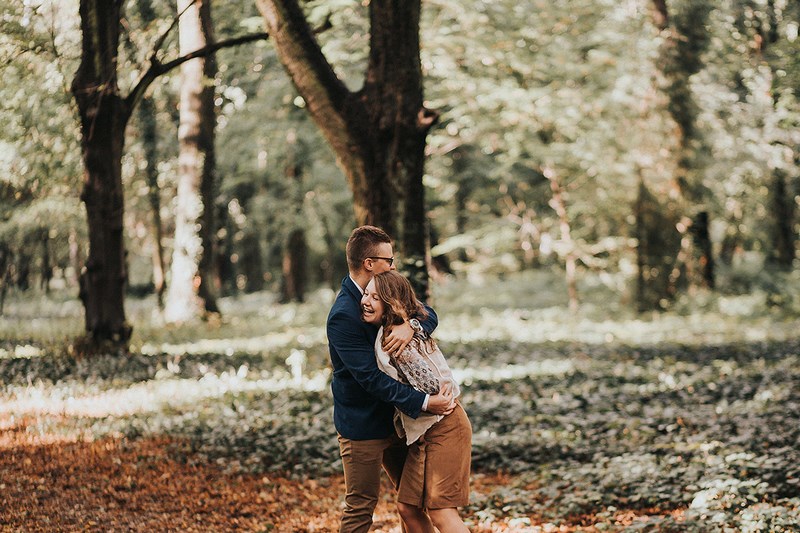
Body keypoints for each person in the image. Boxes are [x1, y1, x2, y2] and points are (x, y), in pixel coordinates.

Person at [327, 225, 455, 533]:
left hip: (397, 421)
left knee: (411, 502)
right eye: (389, 258)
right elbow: (370, 379)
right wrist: (425, 402)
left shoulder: (386, 288)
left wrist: (410, 325)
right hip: (363, 426)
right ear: (369, 263)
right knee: (360, 509)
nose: (394, 265)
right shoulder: (343, 314)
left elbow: (428, 313)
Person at [362, 270, 472, 533]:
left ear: (390, 304)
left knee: (441, 512)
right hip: (424, 431)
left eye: (375, 298)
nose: (366, 301)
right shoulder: (393, 331)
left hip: (445, 425)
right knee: (408, 508)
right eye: (366, 293)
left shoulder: (396, 342)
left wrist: (432, 397)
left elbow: (432, 387)